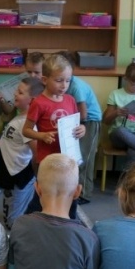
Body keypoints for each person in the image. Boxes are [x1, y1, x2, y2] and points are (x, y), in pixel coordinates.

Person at [23, 54, 86, 170]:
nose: (64, 85)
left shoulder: (70, 100)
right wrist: (42, 136)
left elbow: (76, 125)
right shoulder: (38, 103)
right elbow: (26, 131)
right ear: (45, 80)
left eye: (68, 81)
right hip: (48, 159)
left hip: (68, 157)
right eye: (59, 80)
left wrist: (82, 129)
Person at [0, 77, 43, 229]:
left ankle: (17, 235)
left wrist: (38, 176)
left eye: (20, 92)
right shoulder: (20, 118)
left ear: (32, 100)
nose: (15, 94)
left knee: (14, 217)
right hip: (11, 171)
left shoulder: (27, 124)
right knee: (10, 206)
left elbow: (36, 150)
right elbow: (16, 139)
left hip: (20, 173)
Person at [57, 51, 101, 205]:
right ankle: (73, 188)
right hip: (74, 120)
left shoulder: (76, 86)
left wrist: (70, 126)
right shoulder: (62, 83)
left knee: (85, 157)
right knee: (73, 156)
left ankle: (85, 193)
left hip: (89, 121)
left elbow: (83, 113)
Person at [102, 62, 135, 167]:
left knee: (133, 150)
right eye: (134, 84)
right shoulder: (116, 94)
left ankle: (130, 181)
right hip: (119, 137)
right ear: (126, 79)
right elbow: (106, 121)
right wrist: (116, 113)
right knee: (120, 130)